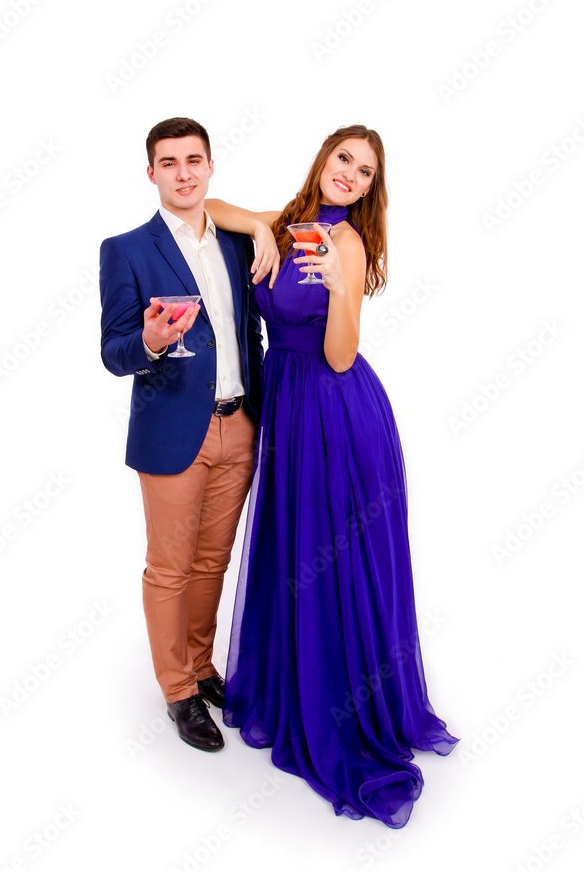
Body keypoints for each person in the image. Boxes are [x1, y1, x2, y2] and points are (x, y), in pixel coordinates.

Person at [204, 124, 459, 825]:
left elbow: (342, 356)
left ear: (372, 188)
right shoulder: (290, 222)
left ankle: (338, 707)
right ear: (323, 159)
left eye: (365, 171)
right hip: (289, 410)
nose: (350, 174)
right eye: (344, 158)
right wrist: (261, 232)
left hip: (334, 415)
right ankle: (298, 681)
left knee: (331, 560)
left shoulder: (345, 243)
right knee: (297, 551)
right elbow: (215, 207)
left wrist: (343, 290)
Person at [98, 117, 274, 752]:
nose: (183, 173)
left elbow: (248, 332)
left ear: (209, 167)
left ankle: (201, 668)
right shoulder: (126, 249)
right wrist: (149, 340)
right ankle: (177, 690)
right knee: (170, 568)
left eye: (193, 160)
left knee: (212, 561)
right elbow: (114, 351)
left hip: (239, 425)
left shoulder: (235, 244)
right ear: (151, 173)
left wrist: (259, 226)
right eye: (169, 163)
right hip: (173, 433)